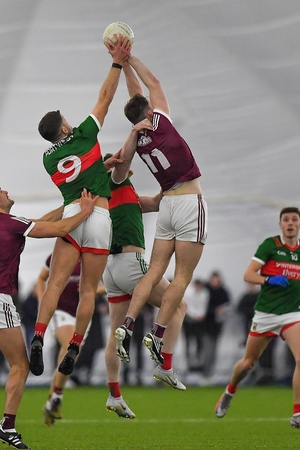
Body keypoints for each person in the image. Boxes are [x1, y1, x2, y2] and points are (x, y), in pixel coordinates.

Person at [0, 182, 98, 450]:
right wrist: (86, 211)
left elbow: (40, 222)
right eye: (1, 190)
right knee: (21, 365)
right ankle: (7, 427)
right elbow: (59, 229)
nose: (6, 191)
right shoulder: (9, 223)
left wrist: (69, 206)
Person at [29, 35, 132, 378]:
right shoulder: (85, 133)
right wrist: (117, 61)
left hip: (74, 213)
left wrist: (100, 166)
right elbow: (105, 97)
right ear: (64, 126)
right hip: (100, 216)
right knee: (88, 289)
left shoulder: (48, 160)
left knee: (55, 284)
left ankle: (39, 337)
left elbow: (77, 180)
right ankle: (75, 344)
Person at [110, 51, 207, 366]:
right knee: (182, 276)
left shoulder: (137, 141)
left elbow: (136, 95)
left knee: (154, 271)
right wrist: (130, 58)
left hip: (165, 205)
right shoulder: (160, 120)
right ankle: (157, 331)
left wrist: (122, 66)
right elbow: (153, 83)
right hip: (188, 200)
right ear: (150, 110)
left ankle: (129, 323)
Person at [215, 207, 300, 430]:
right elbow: (248, 275)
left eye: (294, 220)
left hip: (293, 314)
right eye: (286, 220)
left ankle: (297, 413)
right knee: (248, 363)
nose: (290, 223)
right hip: (266, 314)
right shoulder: (270, 245)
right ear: (280, 224)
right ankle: (229, 391)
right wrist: (269, 279)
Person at [101, 151, 187, 419]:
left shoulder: (119, 195)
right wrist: (138, 132)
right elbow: (122, 163)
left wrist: (169, 187)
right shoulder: (116, 182)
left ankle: (114, 394)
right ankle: (166, 364)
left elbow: (155, 202)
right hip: (130, 262)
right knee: (178, 304)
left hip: (111, 268)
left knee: (115, 334)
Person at [36, 254, 81, 426]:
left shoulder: (91, 255)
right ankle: (57, 396)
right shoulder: (57, 255)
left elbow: (105, 284)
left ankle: (51, 399)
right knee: (71, 348)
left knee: (67, 356)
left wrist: (90, 289)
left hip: (82, 314)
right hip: (60, 311)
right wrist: (43, 301)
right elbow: (41, 279)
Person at [203, 272, 230, 381]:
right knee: (207, 349)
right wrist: (214, 311)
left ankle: (210, 371)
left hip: (217, 326)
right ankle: (205, 371)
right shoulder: (206, 291)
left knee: (213, 350)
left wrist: (222, 310)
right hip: (206, 325)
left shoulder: (223, 292)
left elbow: (228, 305)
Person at [183, 279, 209, 374]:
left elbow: (204, 306)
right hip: (189, 321)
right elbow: (188, 307)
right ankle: (189, 361)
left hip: (200, 322)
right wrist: (196, 315)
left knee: (199, 341)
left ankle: (198, 361)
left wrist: (201, 315)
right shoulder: (189, 293)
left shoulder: (204, 293)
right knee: (188, 342)